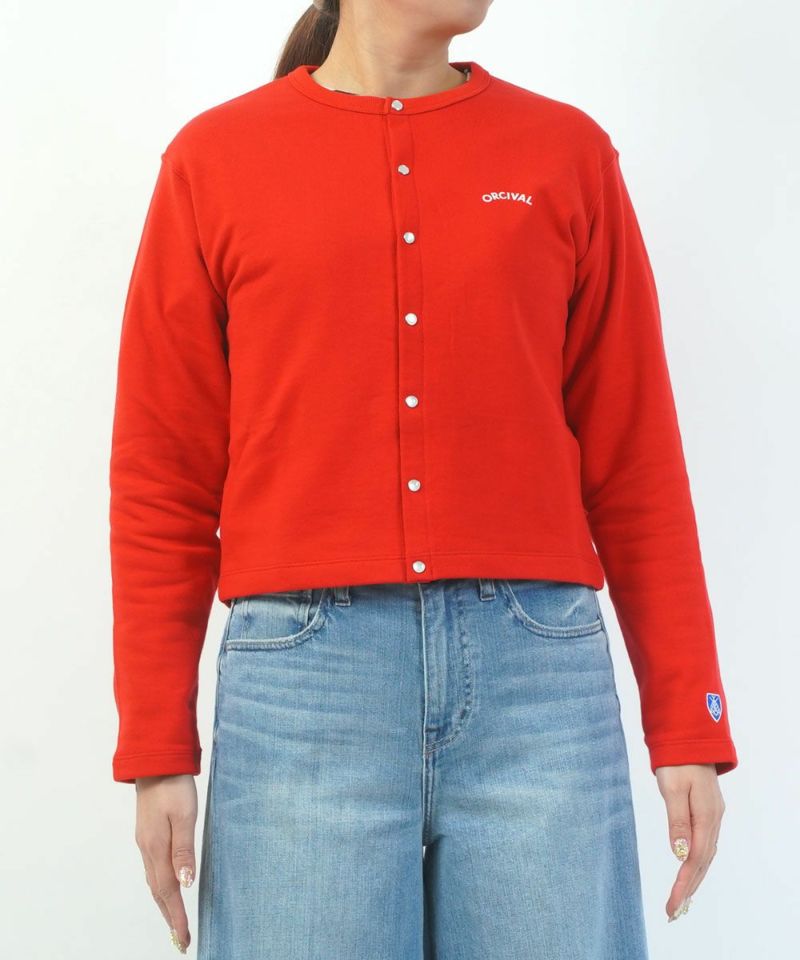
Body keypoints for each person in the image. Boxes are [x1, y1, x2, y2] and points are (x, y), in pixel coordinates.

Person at [109, 1, 738, 956]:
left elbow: (635, 454)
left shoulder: (566, 154)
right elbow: (163, 476)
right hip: (304, 688)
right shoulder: (215, 160)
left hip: (539, 680)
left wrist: (689, 716)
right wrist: (159, 743)